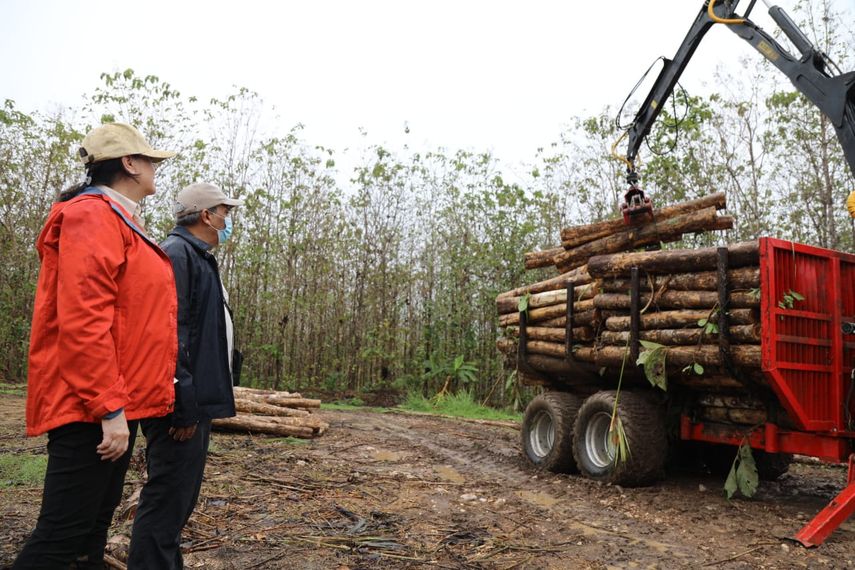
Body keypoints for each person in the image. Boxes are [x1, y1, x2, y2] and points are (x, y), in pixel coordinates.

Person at [13, 123, 178, 569]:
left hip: (109, 404)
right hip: (89, 406)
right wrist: (109, 408)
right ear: (129, 164)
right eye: (150, 161)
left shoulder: (120, 217)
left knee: (90, 538)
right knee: (60, 539)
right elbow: (84, 320)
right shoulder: (93, 216)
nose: (155, 169)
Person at [128, 182, 242, 568]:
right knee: (166, 501)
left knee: (178, 501)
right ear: (207, 215)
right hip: (178, 405)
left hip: (194, 401)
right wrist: (183, 403)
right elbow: (166, 335)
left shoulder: (197, 256)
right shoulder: (176, 255)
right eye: (225, 212)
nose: (228, 221)